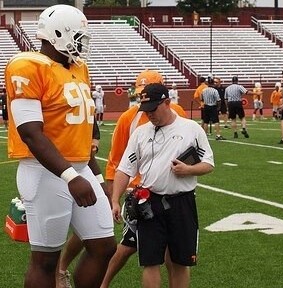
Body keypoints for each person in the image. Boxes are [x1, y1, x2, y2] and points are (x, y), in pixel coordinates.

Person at [4, 5, 116, 288]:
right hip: (46, 172)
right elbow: (30, 133)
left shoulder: (79, 68)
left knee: (104, 246)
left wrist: (96, 175)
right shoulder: (27, 67)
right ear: (58, 34)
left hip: (79, 169)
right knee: (46, 260)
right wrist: (70, 176)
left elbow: (79, 134)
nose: (82, 44)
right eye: (78, 36)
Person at [58, 70, 187, 288]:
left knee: (167, 252)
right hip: (138, 192)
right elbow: (116, 159)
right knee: (125, 244)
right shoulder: (129, 118)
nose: (142, 99)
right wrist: (112, 194)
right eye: (140, 94)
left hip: (172, 190)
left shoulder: (179, 114)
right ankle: (87, 278)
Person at [112, 83, 214, 288]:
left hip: (182, 202)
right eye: (146, 110)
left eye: (153, 109)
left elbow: (208, 164)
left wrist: (189, 170)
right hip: (149, 203)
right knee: (150, 261)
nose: (149, 115)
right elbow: (124, 169)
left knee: (180, 262)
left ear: (167, 103)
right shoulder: (141, 133)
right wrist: (115, 199)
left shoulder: (191, 129)